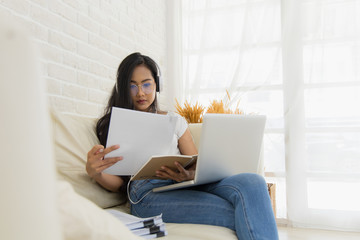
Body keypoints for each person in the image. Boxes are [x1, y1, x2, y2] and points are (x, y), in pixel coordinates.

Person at [86, 52, 279, 240]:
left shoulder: (174, 121)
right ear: (123, 88)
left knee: (253, 181)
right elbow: (120, 183)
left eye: (146, 84)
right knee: (247, 211)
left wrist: (189, 174)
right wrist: (96, 173)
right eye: (132, 86)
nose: (141, 93)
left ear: (156, 85)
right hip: (147, 195)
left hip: (187, 184)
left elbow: (195, 164)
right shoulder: (115, 123)